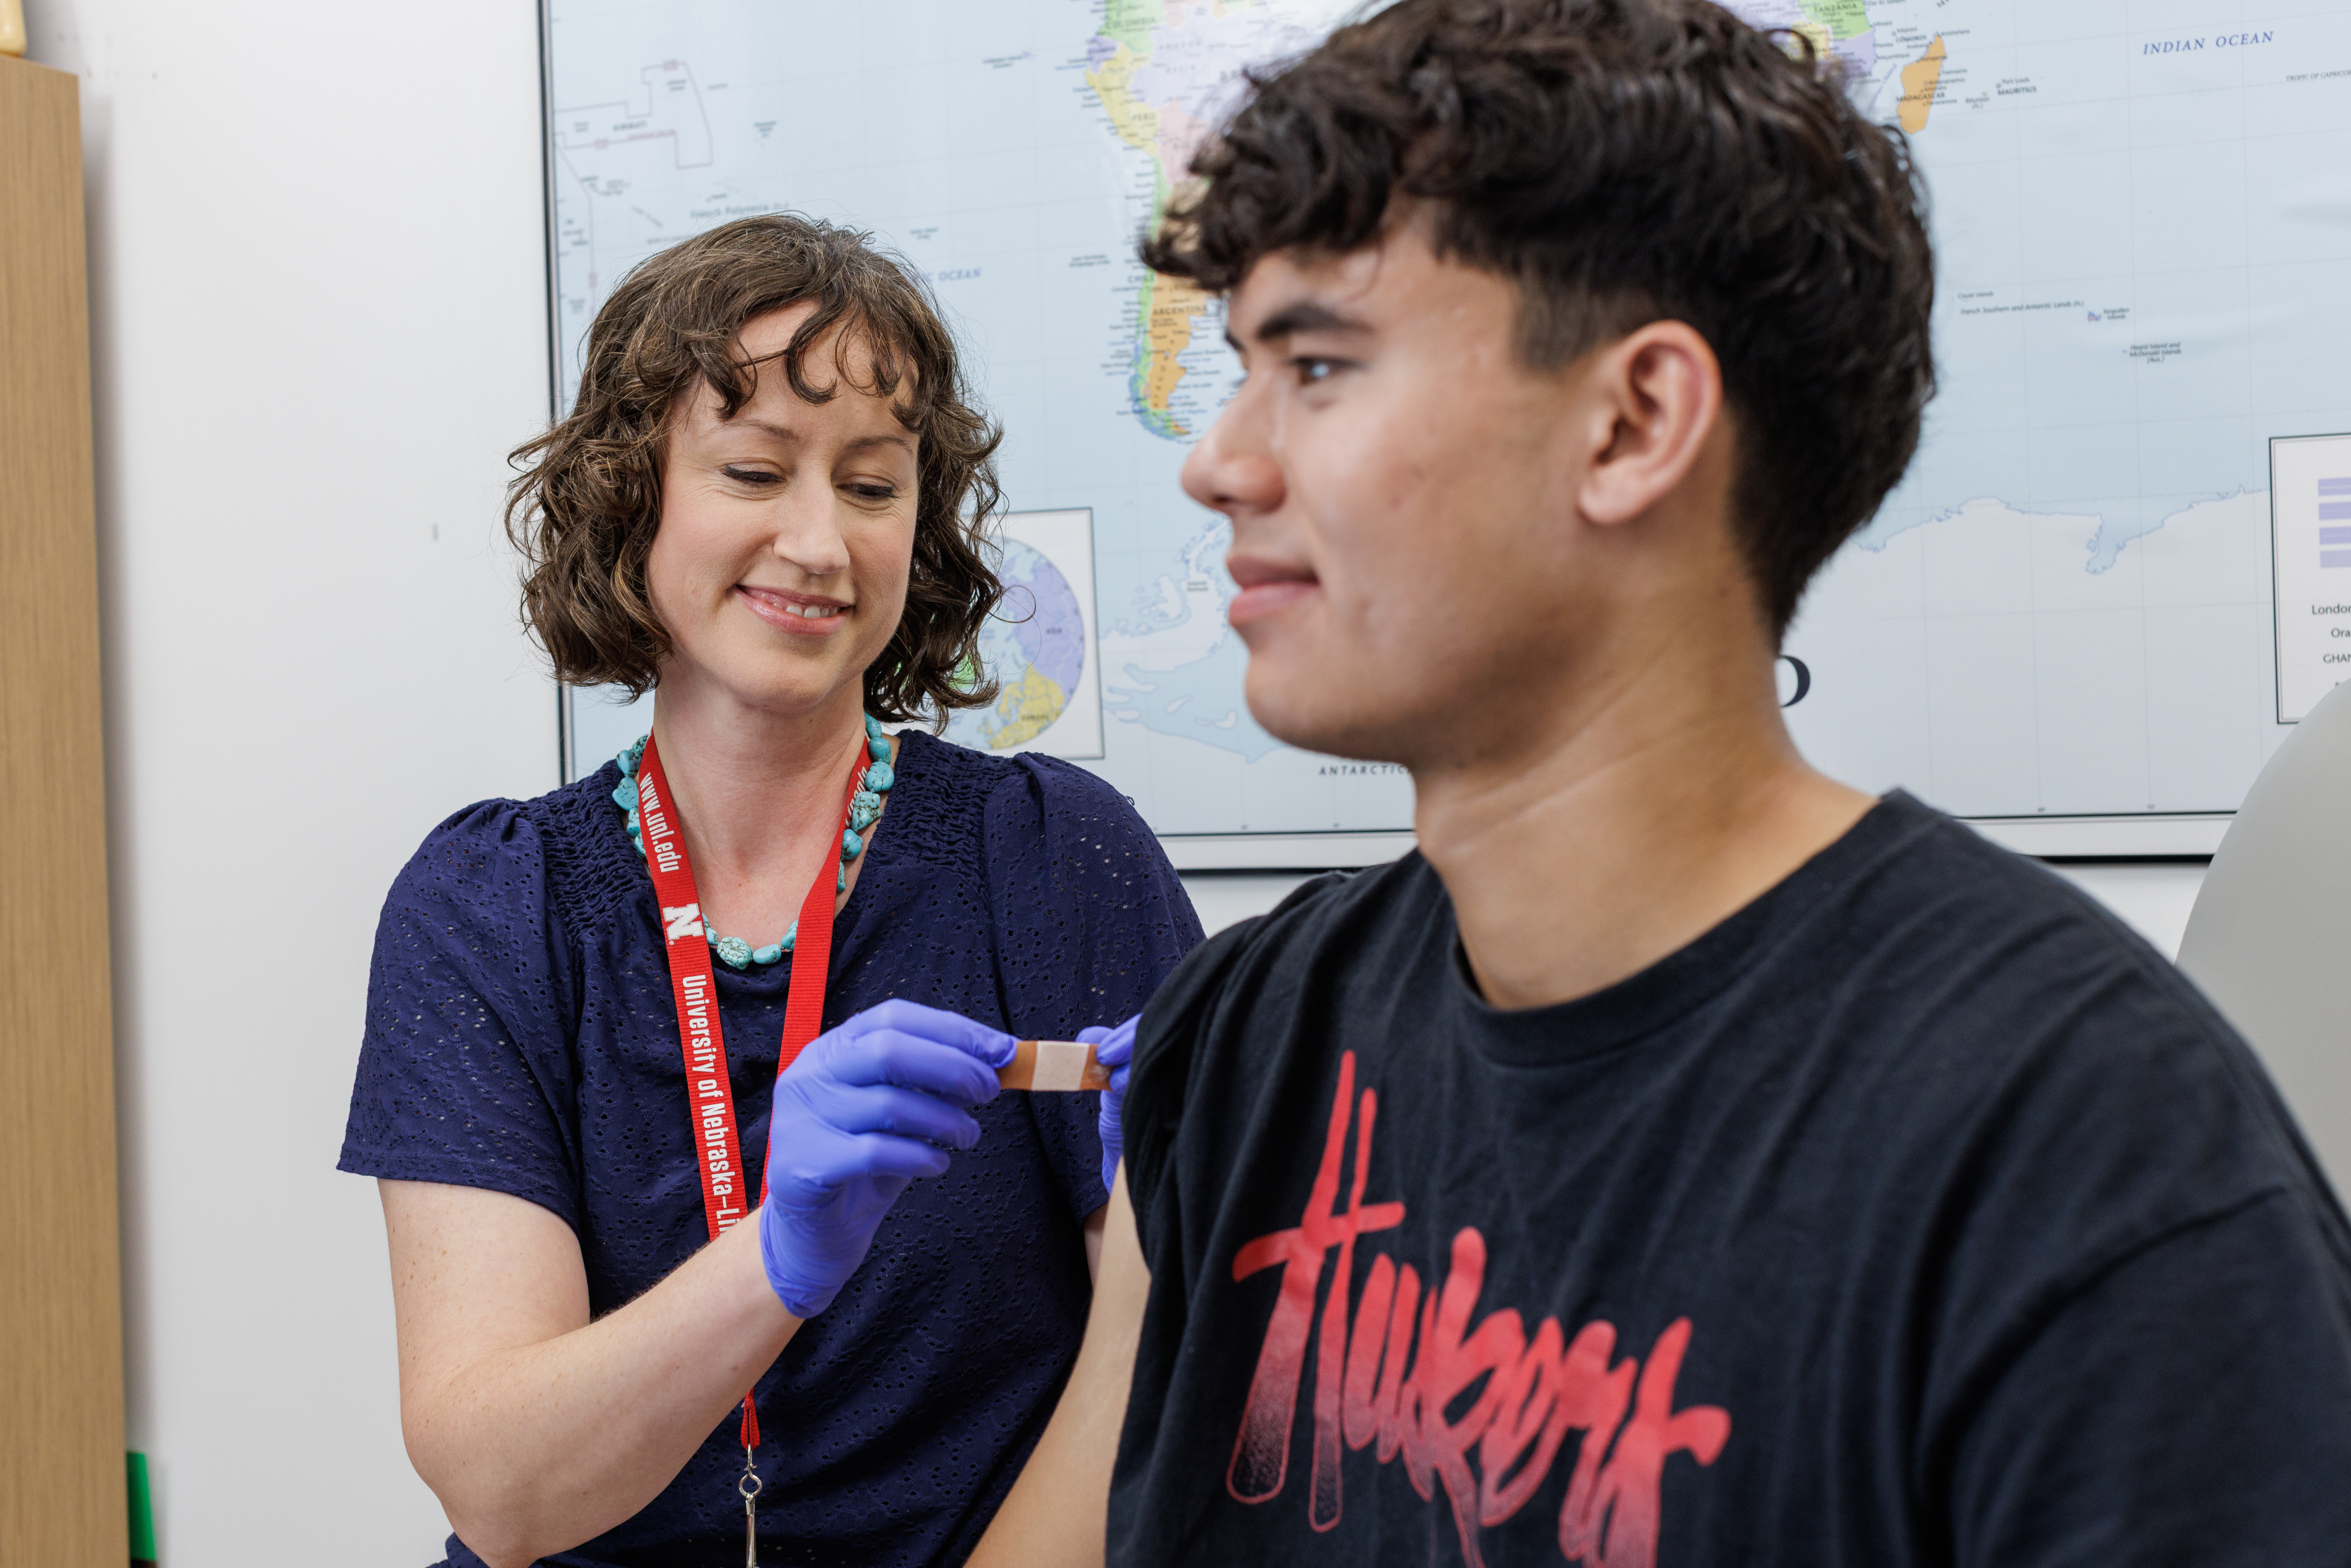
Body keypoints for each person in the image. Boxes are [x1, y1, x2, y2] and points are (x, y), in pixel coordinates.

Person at [969, 3, 2351, 1565]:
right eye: (1235, 369)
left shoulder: (2093, 1153)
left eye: (1318, 364)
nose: (1216, 459)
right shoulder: (1244, 1042)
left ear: (1632, 424)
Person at [338, 214, 1200, 1568]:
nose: (818, 542)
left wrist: (1168, 1256)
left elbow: (1156, 1425)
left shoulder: (1054, 859)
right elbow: (502, 1493)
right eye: (752, 470)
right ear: (634, 500)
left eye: (871, 486)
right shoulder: (490, 906)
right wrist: (777, 1255)